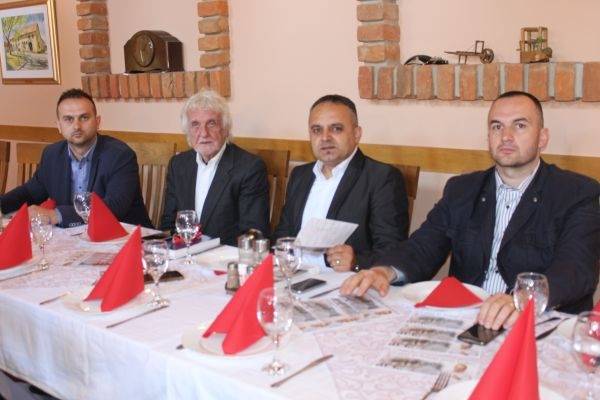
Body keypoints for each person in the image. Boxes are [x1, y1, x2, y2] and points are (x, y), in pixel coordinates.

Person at [341, 91, 600, 329]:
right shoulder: (462, 189)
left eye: (520, 125)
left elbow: (576, 269)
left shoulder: (576, 193)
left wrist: (523, 299)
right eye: (496, 126)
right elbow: (423, 246)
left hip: (537, 326)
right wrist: (384, 270)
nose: (506, 136)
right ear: (488, 137)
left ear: (542, 137)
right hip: (467, 319)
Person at [273, 94, 409, 271]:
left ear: (357, 134)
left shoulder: (382, 178)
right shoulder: (300, 175)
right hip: (295, 276)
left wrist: (356, 261)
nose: (325, 138)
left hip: (346, 280)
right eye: (317, 130)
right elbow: (282, 236)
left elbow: (393, 251)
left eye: (336, 129)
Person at [0, 88, 152, 228]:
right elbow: (30, 192)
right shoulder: (52, 154)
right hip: (75, 236)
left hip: (126, 237)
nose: (77, 126)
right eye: (68, 119)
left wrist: (56, 215)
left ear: (97, 122)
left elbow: (114, 207)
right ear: (59, 126)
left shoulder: (120, 155)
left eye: (84, 118)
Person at [159, 90, 270, 246]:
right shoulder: (178, 165)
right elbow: (168, 223)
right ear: (187, 132)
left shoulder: (250, 168)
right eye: (195, 125)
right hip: (185, 253)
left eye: (211, 123)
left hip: (225, 256)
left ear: (225, 128)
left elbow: (252, 234)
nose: (204, 133)